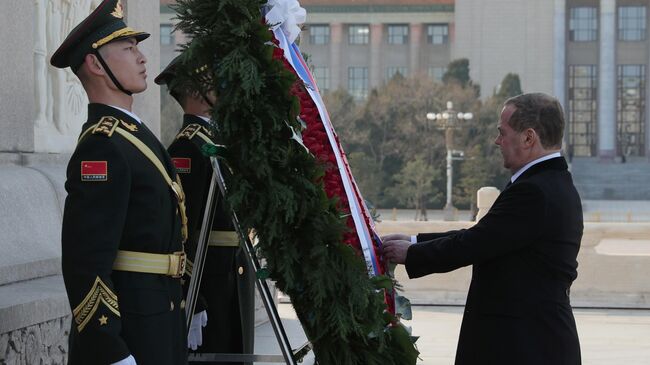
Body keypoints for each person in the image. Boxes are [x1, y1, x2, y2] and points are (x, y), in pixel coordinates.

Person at [383, 93, 582, 365]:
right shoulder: (551, 183)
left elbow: (477, 242)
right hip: (530, 341)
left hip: (525, 345)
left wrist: (412, 253)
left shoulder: (535, 191)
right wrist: (414, 240)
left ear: (528, 138)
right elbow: (487, 234)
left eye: (502, 133)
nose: (497, 141)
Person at [52, 1, 188, 364]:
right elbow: (85, 263)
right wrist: (108, 349)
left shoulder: (133, 137)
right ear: (96, 64)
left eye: (138, 47)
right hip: (131, 333)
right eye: (128, 49)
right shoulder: (104, 145)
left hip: (159, 318)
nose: (142, 58)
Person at [155, 56, 255, 365]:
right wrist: (192, 297)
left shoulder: (216, 140)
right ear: (198, 93)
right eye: (216, 81)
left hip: (232, 271)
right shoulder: (187, 148)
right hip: (209, 280)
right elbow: (181, 231)